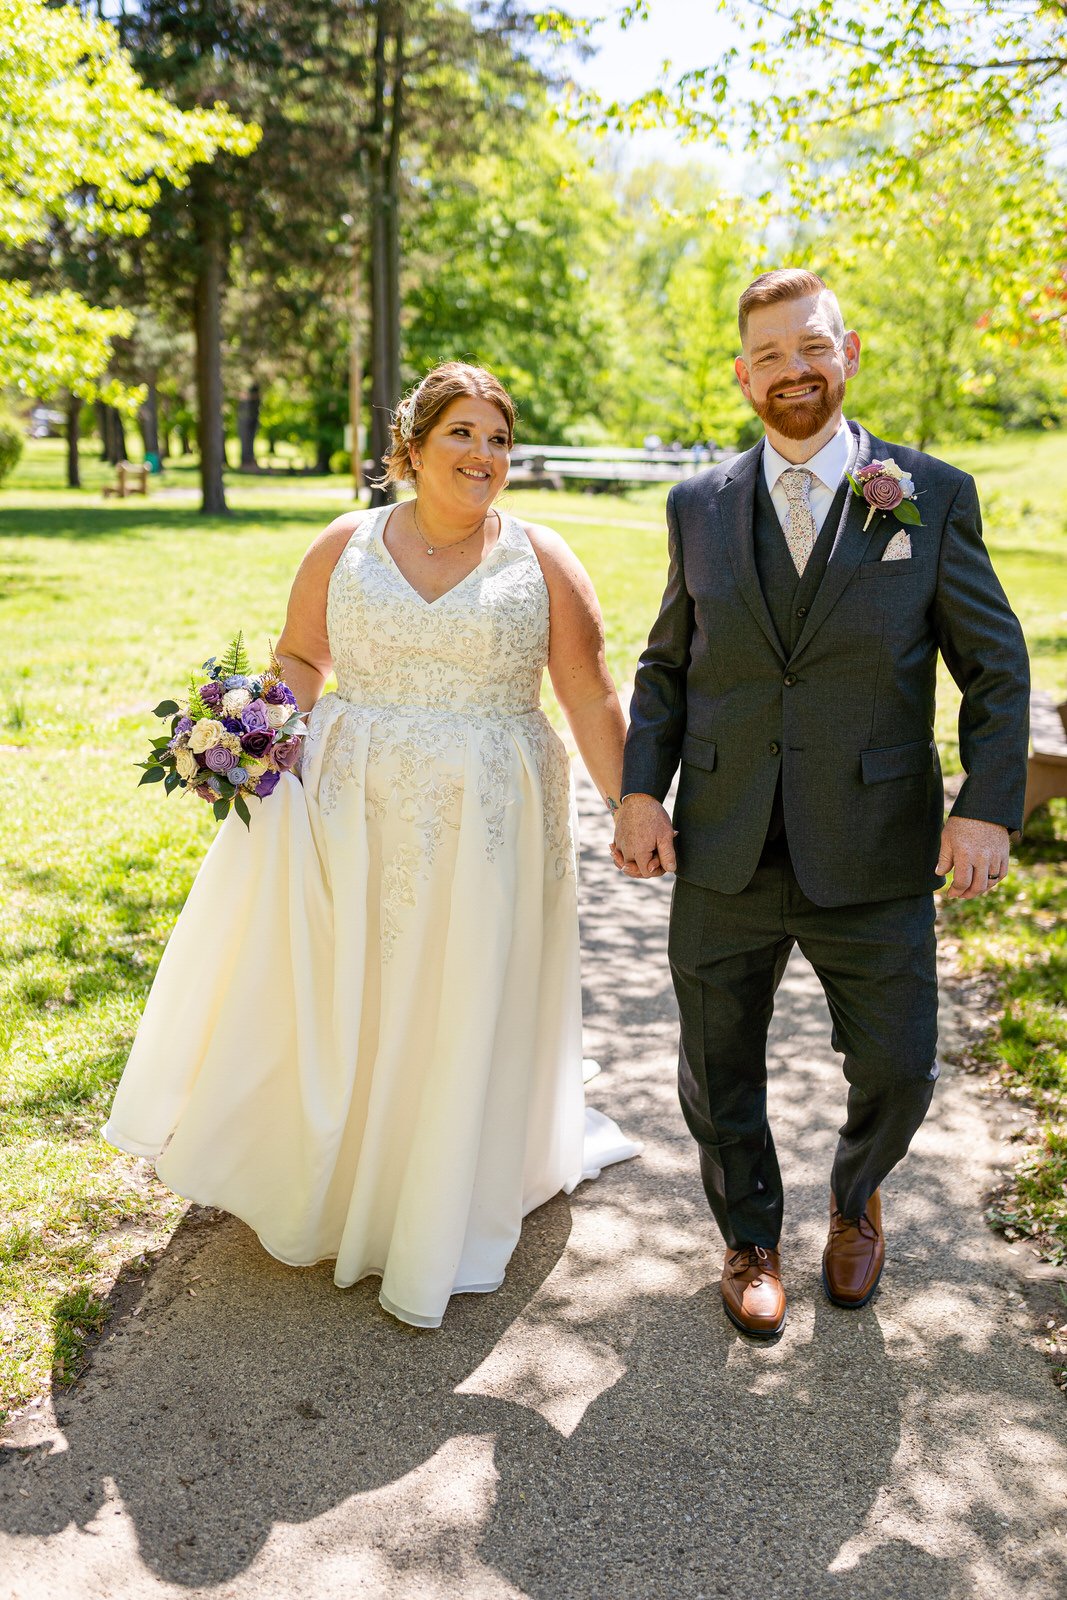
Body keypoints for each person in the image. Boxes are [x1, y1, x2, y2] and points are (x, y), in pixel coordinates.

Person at [106, 361, 639, 1329]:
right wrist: (252, 733)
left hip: (489, 816)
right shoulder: (344, 545)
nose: (483, 456)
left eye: (497, 439)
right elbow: (301, 657)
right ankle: (347, 1177)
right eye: (461, 435)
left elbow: (588, 688)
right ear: (412, 447)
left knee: (458, 987)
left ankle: (437, 1195)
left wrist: (631, 803)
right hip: (355, 806)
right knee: (362, 985)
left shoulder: (541, 558)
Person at [613, 269, 1029, 1339]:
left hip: (874, 842)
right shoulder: (696, 505)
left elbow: (994, 666)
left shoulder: (926, 494)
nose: (790, 370)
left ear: (846, 352)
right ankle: (748, 1235)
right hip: (725, 842)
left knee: (896, 1063)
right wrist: (637, 791)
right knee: (714, 1064)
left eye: (810, 347)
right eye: (768, 354)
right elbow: (666, 668)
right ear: (741, 373)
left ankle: (856, 1197)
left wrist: (984, 806)